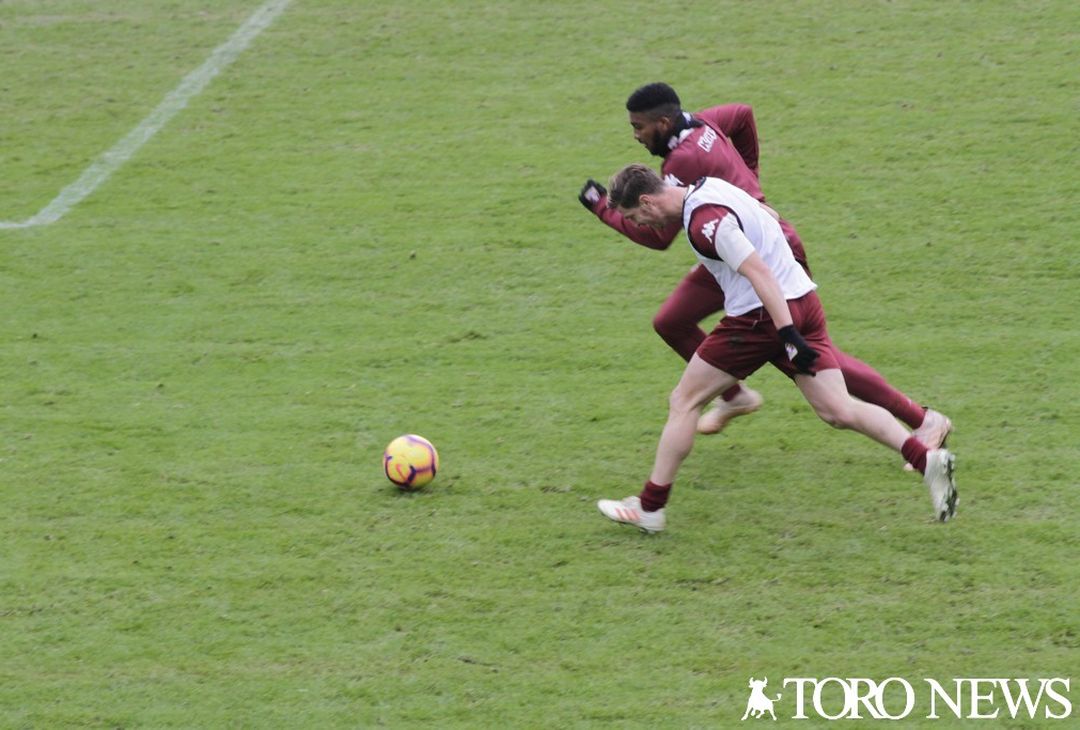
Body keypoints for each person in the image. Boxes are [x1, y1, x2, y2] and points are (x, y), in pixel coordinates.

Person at [578, 83, 951, 457]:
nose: (636, 136)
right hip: (735, 244)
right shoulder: (705, 121)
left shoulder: (680, 164)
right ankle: (734, 395)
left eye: (639, 127)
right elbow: (742, 115)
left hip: (761, 251)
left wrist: (601, 207)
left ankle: (922, 420)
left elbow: (658, 235)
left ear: (662, 123)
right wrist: (750, 186)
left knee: (802, 352)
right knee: (672, 321)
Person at [594, 164, 957, 532]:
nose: (639, 224)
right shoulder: (709, 187)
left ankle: (650, 507)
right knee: (838, 409)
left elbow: (758, 272)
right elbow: (769, 214)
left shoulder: (705, 223)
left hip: (761, 318)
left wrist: (787, 333)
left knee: (684, 401)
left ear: (647, 201)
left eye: (634, 216)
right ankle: (926, 460)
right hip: (803, 300)